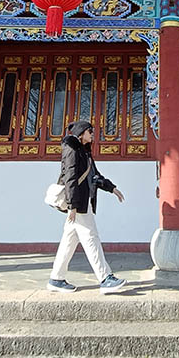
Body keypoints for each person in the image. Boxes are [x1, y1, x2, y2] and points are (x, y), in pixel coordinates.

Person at [47, 119, 127, 294]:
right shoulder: (72, 149)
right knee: (91, 238)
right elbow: (70, 178)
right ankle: (105, 278)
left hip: (83, 201)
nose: (92, 135)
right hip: (79, 203)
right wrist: (72, 205)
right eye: (90, 131)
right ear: (81, 133)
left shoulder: (85, 152)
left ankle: (56, 278)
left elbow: (94, 176)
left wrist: (112, 188)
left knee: (69, 240)